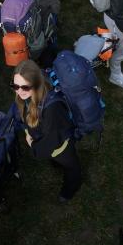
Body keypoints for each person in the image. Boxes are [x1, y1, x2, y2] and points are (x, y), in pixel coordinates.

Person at [10, 60, 82, 202]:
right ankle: (56, 163)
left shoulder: (52, 109)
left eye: (25, 87)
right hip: (47, 137)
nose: (19, 91)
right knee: (56, 159)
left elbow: (51, 141)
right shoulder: (27, 95)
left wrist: (33, 145)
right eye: (15, 86)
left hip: (62, 146)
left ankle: (70, 189)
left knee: (72, 167)